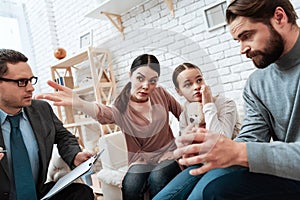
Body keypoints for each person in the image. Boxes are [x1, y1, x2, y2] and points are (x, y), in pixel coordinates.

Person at [173, 0, 300, 199]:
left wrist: (240, 151)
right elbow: (251, 137)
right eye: (237, 41)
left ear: (279, 17)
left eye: (247, 36)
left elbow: (245, 149)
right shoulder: (256, 82)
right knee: (179, 186)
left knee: (212, 191)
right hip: (282, 170)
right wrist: (211, 149)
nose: (242, 49)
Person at [35, 54, 183, 199]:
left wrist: (181, 144)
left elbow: (183, 116)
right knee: (131, 184)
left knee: (158, 178)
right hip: (141, 158)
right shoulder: (122, 103)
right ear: (130, 75)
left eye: (152, 81)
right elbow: (106, 113)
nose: (146, 86)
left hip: (167, 154)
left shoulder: (161, 93)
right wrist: (81, 103)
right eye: (140, 78)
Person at [0, 49, 94, 200]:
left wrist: (74, 155)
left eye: (31, 80)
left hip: (38, 193)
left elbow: (62, 135)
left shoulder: (41, 109)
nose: (31, 88)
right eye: (21, 82)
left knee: (82, 193)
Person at [153, 62, 239, 200]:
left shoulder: (226, 104)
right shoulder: (185, 115)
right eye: (188, 84)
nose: (197, 87)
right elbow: (186, 155)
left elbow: (221, 140)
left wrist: (208, 104)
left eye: (199, 80)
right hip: (201, 164)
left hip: (226, 163)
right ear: (179, 91)